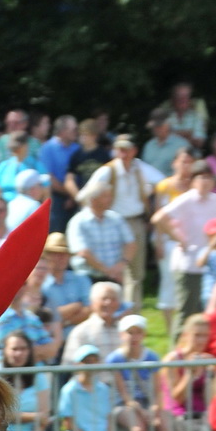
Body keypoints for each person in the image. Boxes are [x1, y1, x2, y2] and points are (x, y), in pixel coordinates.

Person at [80, 134, 161, 306]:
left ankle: (133, 315)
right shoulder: (107, 170)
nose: (122, 153)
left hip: (137, 222)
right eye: (119, 149)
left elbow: (162, 181)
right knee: (114, 270)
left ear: (134, 151)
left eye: (126, 149)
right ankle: (114, 311)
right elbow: (84, 195)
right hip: (113, 223)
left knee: (136, 274)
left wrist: (149, 191)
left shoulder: (139, 167)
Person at [106, 312, 168, 431]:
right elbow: (124, 395)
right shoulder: (115, 359)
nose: (133, 337)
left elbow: (157, 390)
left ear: (144, 335)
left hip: (147, 404)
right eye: (129, 332)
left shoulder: (152, 357)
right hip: (124, 406)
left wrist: (155, 410)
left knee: (165, 430)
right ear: (121, 335)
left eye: (137, 332)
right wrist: (144, 413)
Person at [151, 162, 216, 326]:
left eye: (208, 178)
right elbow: (158, 218)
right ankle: (178, 350)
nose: (205, 182)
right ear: (193, 181)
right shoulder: (186, 200)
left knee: (207, 315)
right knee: (186, 314)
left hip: (211, 267)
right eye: (201, 177)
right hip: (188, 264)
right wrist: (178, 237)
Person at [69, 186, 134, 287]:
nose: (110, 199)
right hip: (87, 277)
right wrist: (108, 271)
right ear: (93, 200)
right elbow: (83, 252)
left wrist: (121, 264)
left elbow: (131, 244)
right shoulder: (78, 222)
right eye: (105, 196)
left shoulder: (116, 218)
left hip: (114, 276)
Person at [62, 280, 124, 363]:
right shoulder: (81, 331)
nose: (108, 303)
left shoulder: (125, 330)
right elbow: (69, 365)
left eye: (113, 299)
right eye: (104, 298)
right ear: (92, 302)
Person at [38, 115, 79, 234]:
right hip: (56, 198)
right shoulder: (47, 148)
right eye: (74, 129)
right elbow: (49, 177)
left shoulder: (77, 148)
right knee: (56, 234)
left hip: (75, 197)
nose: (77, 132)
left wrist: (73, 197)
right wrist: (70, 194)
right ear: (62, 131)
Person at [40, 232, 91, 326]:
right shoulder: (39, 283)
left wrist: (64, 322)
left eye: (65, 254)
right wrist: (76, 306)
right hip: (53, 338)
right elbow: (45, 316)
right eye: (56, 254)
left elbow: (90, 309)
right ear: (46, 256)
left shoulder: (81, 279)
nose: (61, 258)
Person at [65, 119, 111, 203]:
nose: (83, 137)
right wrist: (78, 197)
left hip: (101, 198)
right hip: (84, 197)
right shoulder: (76, 155)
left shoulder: (104, 155)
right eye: (81, 134)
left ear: (94, 136)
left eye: (86, 135)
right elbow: (69, 180)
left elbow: (110, 177)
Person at [161, 82, 208, 154]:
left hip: (191, 157)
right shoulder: (166, 115)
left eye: (186, 96)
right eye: (178, 96)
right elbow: (161, 138)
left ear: (190, 99)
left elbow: (199, 143)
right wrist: (187, 134)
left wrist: (172, 133)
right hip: (168, 156)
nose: (182, 99)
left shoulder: (197, 116)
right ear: (173, 98)